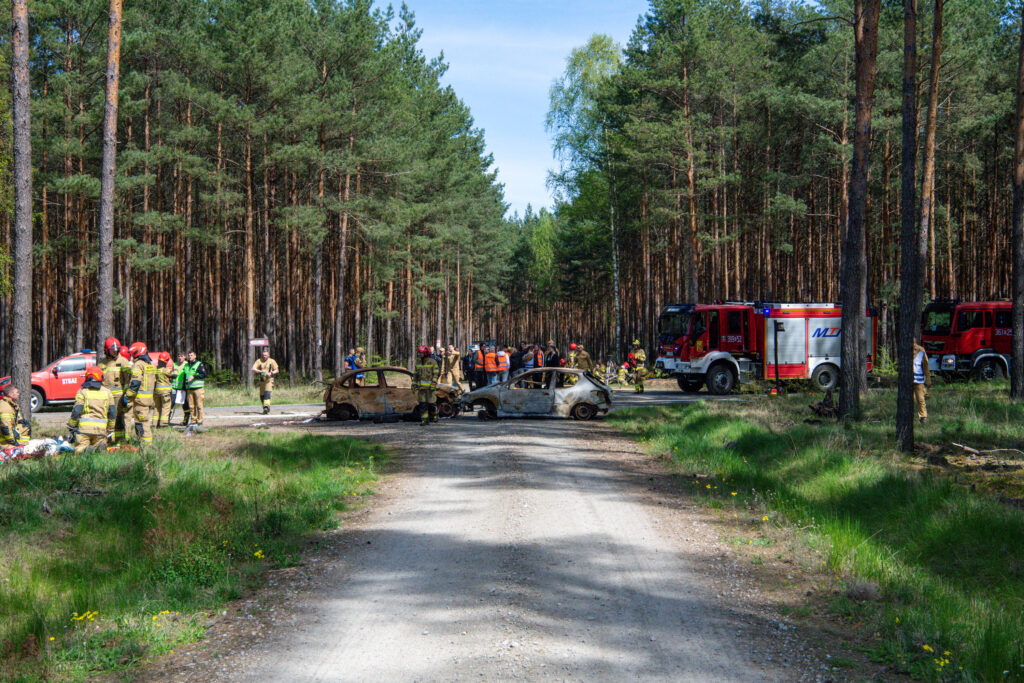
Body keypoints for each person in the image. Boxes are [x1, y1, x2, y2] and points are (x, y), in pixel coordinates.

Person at [67, 366, 115, 454]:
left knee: (80, 448)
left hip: (84, 430)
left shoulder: (82, 391)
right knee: (100, 445)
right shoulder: (107, 392)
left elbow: (77, 411)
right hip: (101, 429)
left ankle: (84, 450)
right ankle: (100, 448)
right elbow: (112, 412)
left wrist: (71, 425)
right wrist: (110, 429)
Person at [123, 341, 157, 445]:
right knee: (140, 422)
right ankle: (141, 443)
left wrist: (127, 396)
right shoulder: (149, 364)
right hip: (148, 399)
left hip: (140, 400)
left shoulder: (138, 364)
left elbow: (135, 383)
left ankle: (147, 446)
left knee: (143, 423)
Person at [99, 337, 130, 441]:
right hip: (105, 396)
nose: (115, 352)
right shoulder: (102, 362)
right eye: (112, 350)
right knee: (105, 418)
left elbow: (128, 380)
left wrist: (126, 395)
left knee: (118, 419)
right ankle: (106, 440)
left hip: (118, 397)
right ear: (107, 350)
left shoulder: (123, 361)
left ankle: (119, 441)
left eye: (117, 350)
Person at [413, 345, 440, 425]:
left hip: (430, 388)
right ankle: (424, 420)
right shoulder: (418, 363)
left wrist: (434, 384)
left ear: (425, 353)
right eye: (419, 353)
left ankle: (435, 416)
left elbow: (436, 374)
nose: (419, 354)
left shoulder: (432, 362)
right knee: (422, 405)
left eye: (421, 353)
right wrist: (414, 384)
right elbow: (416, 375)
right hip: (421, 389)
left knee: (432, 404)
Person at [252, 349, 280, 415]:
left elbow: (277, 370)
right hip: (262, 380)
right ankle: (266, 408)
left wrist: (271, 373)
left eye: (266, 355)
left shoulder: (272, 361)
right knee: (262, 395)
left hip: (269, 380)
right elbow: (253, 369)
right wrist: (260, 371)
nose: (264, 356)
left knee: (267, 393)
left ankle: (266, 407)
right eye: (263, 355)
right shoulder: (259, 361)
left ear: (268, 355)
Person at [184, 350, 207, 426]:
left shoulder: (199, 364)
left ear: (195, 356)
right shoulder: (187, 365)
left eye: (191, 355)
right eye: (189, 355)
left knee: (199, 405)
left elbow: (203, 375)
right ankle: (193, 420)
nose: (190, 357)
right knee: (191, 406)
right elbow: (185, 376)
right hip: (189, 389)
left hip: (198, 388)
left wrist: (194, 376)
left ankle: (200, 421)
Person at [154, 352, 175, 428]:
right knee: (165, 407)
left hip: (156, 391)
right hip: (165, 392)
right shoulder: (165, 370)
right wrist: (175, 370)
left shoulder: (156, 370)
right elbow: (174, 375)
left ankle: (154, 424)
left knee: (157, 408)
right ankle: (163, 424)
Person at [913, 340, 932, 423]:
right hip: (908, 381)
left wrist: (928, 379)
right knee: (911, 399)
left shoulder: (921, 351)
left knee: (920, 399)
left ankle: (923, 416)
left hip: (919, 380)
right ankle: (909, 417)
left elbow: (926, 366)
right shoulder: (905, 351)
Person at [170, 352, 188, 425]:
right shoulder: (174, 364)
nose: (180, 357)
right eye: (179, 356)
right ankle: (167, 419)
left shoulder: (186, 364)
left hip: (182, 388)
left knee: (185, 405)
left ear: (184, 357)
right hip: (174, 387)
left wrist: (185, 386)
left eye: (182, 356)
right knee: (171, 403)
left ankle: (185, 420)